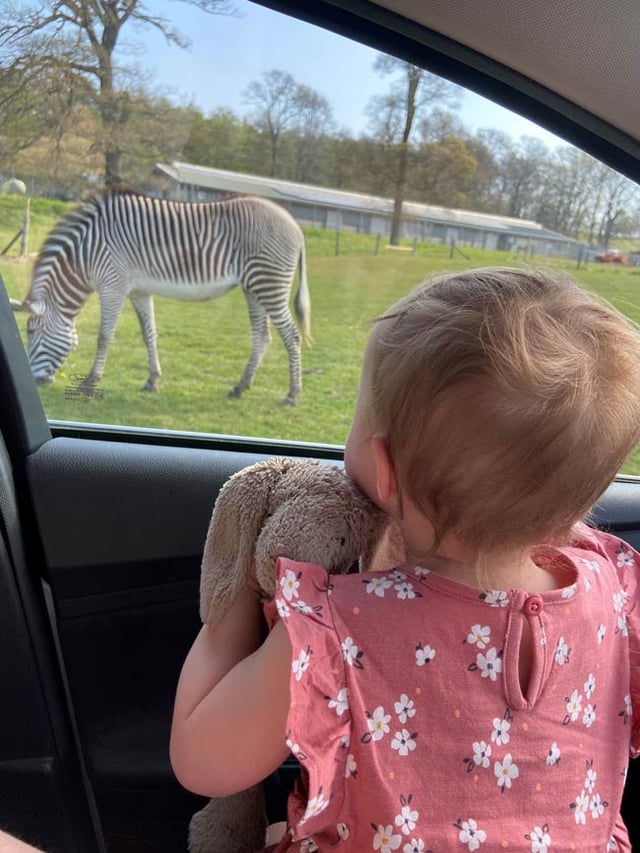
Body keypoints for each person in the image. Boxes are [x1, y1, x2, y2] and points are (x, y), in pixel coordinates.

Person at [170, 267, 640, 852]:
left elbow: (204, 761)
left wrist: (228, 620)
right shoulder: (616, 589)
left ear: (384, 472)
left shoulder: (341, 627)